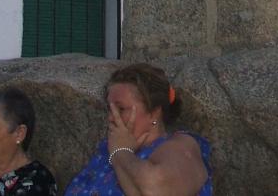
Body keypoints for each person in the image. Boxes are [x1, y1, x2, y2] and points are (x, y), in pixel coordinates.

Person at [64, 64, 212, 196]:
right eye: (109, 109)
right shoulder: (105, 153)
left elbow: (156, 190)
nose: (111, 117)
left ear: (154, 112)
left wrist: (120, 152)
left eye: (121, 109)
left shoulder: (182, 145)